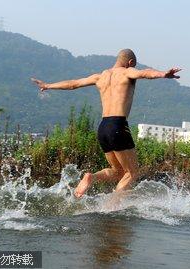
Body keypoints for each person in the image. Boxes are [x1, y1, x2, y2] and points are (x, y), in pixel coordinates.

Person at [31, 49, 181, 198]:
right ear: (130, 63)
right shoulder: (127, 72)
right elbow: (145, 73)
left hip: (103, 127)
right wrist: (163, 74)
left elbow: (73, 84)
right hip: (118, 125)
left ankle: (91, 177)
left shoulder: (100, 76)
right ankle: (113, 205)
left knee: (118, 172)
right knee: (132, 172)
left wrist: (48, 85)